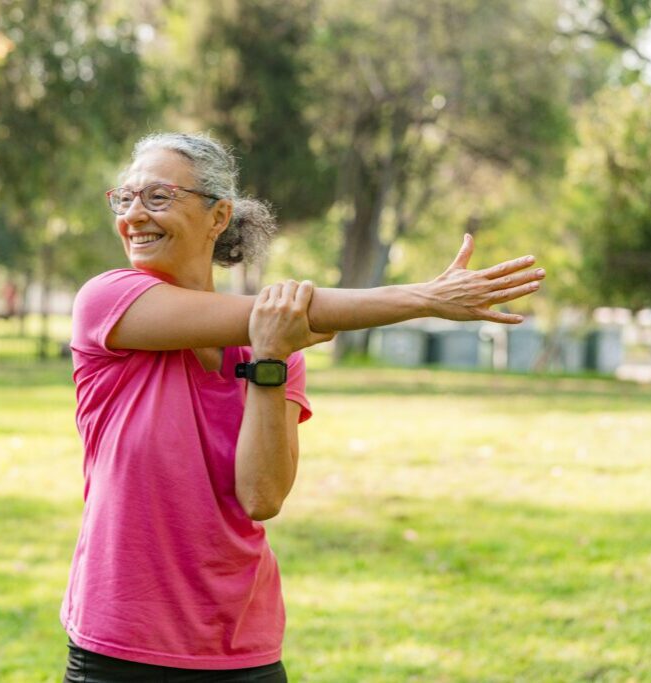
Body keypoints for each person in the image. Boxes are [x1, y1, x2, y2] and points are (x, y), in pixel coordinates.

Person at [60, 132, 545, 682]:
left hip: (243, 645)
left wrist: (269, 359)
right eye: (124, 198)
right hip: (123, 645)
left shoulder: (275, 340)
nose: (133, 216)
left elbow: (261, 496)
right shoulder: (106, 302)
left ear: (218, 216)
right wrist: (423, 298)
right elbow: (297, 310)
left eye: (158, 196)